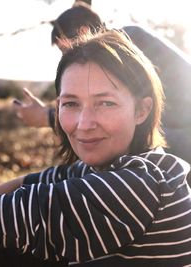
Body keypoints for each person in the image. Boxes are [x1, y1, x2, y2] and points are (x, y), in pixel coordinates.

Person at [0, 29, 191, 266]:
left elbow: (3, 216)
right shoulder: (101, 167)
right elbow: (27, 183)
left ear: (141, 110)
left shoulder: (137, 186)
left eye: (106, 103)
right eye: (71, 103)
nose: (84, 124)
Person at [13, 5, 191, 165]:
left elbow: (130, 115)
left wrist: (47, 116)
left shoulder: (124, 46)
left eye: (65, 49)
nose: (68, 58)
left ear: (84, 33)